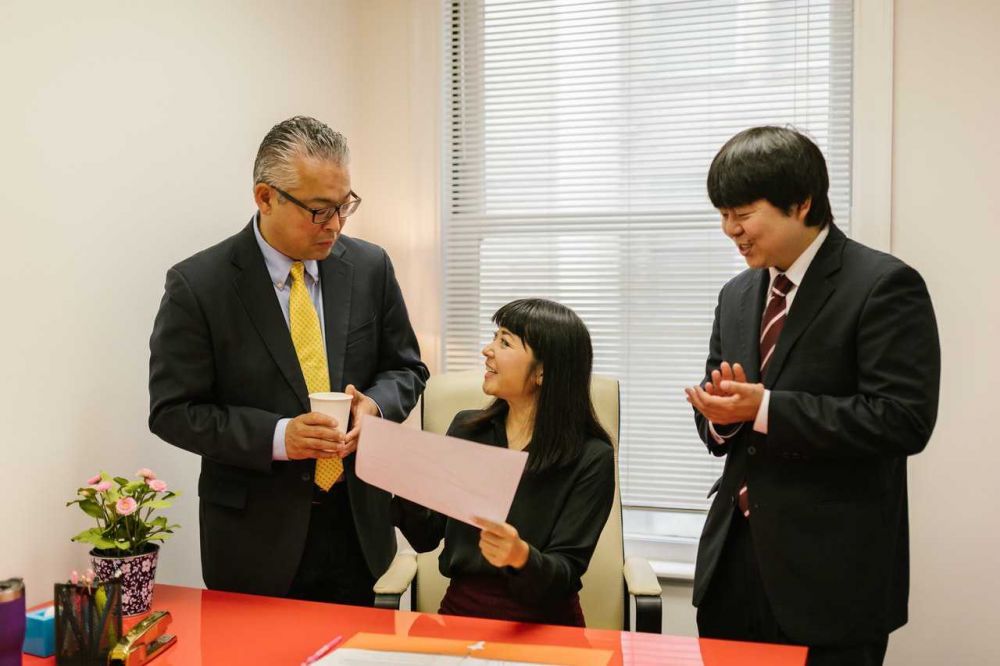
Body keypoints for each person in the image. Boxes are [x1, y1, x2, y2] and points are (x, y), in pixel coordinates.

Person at [684, 126, 940, 665]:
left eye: (743, 213)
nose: (731, 230)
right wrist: (722, 418)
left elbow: (902, 420)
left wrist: (767, 409)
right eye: (723, 214)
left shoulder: (883, 285)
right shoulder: (736, 294)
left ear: (801, 203)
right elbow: (727, 411)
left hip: (832, 579)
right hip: (733, 569)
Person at [148, 116, 429, 606]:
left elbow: (407, 369)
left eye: (345, 206)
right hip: (253, 541)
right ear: (265, 197)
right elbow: (173, 412)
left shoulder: (369, 267)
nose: (337, 225)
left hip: (358, 527)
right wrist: (280, 437)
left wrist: (376, 408)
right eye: (320, 211)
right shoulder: (200, 285)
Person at [393, 298, 615, 627]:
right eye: (494, 337)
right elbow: (426, 535)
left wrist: (521, 557)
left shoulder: (592, 457)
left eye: (505, 342)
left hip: (545, 626)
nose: (487, 350)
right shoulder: (469, 430)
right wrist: (400, 476)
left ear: (542, 371)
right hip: (460, 615)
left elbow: (566, 572)